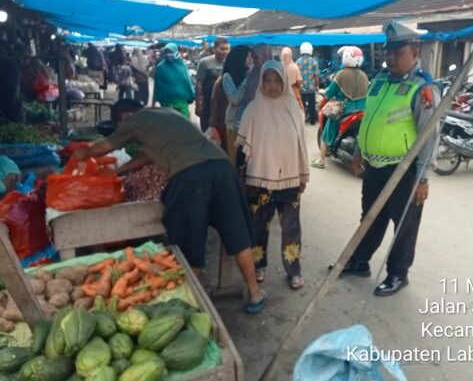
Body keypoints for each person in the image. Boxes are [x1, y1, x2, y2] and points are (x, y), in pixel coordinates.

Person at [72, 100, 267, 314]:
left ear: (123, 118)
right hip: (221, 168)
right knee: (237, 234)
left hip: (190, 176)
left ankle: (190, 303)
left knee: (189, 241)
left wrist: (79, 154)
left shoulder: (133, 121)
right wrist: (119, 172)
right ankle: (255, 292)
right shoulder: (166, 113)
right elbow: (147, 156)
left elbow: (103, 147)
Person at [343, 20, 440, 297]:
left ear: (415, 50)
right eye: (389, 52)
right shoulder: (380, 82)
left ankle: (398, 274)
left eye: (399, 52)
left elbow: (429, 137)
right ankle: (360, 262)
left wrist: (422, 178)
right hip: (374, 166)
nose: (391, 57)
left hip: (404, 171)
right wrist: (359, 152)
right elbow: (368, 120)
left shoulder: (423, 89)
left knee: (404, 226)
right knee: (370, 218)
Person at [237, 61, 310, 290]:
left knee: (291, 227)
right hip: (259, 179)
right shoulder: (253, 109)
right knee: (258, 225)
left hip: (289, 178)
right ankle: (259, 266)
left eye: (277, 80)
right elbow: (242, 147)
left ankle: (293, 269)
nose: (272, 85)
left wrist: (303, 175)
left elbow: (301, 145)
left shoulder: (293, 107)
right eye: (267, 80)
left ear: (284, 81)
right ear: (261, 82)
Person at [311, 46, 369, 169]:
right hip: (362, 108)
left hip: (344, 108)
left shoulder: (341, 74)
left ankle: (321, 160)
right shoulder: (364, 75)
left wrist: (324, 93)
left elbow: (330, 92)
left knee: (328, 128)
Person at [222, 46, 253, 166]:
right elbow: (234, 99)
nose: (250, 60)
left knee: (245, 159)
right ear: (240, 58)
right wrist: (247, 80)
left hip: (247, 122)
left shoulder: (248, 74)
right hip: (233, 123)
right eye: (248, 56)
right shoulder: (227, 77)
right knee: (233, 158)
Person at [152, 43, 195, 118]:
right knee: (169, 126)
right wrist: (153, 103)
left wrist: (192, 95)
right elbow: (157, 86)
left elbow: (187, 83)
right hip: (167, 103)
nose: (169, 54)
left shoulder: (182, 66)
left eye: (170, 52)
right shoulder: (160, 68)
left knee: (183, 125)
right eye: (166, 52)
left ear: (176, 52)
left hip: (182, 102)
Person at [196, 38, 230, 131]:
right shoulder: (204, 62)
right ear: (214, 49)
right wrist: (198, 104)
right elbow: (199, 84)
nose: (225, 52)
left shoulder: (229, 63)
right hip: (207, 103)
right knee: (207, 130)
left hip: (223, 105)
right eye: (222, 49)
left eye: (227, 49)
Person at [297, 42, 320, 125]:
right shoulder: (314, 61)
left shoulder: (298, 62)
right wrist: (317, 86)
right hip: (311, 87)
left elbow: (297, 75)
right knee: (312, 105)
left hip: (301, 88)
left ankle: (302, 121)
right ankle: (312, 121)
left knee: (302, 105)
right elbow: (316, 75)